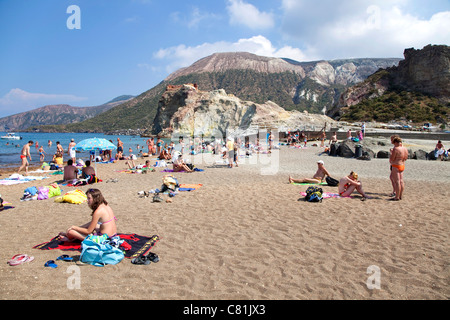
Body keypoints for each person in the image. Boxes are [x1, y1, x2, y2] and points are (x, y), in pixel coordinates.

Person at [389, 136, 408, 201]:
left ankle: (397, 196)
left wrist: (391, 153)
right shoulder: (405, 148)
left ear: (396, 142)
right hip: (402, 165)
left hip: (396, 165)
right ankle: (400, 195)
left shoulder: (396, 149)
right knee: (401, 181)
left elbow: (392, 158)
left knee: (397, 181)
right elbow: (405, 157)